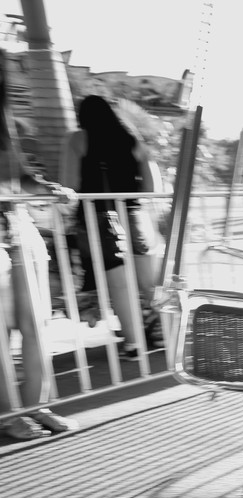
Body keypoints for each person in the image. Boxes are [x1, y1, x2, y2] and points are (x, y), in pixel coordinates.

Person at [0, 52, 79, 440]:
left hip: (14, 231)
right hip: (9, 234)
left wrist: (50, 190)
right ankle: (9, 415)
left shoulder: (5, 122)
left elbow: (16, 177)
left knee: (36, 324)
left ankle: (35, 406)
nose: (17, 75)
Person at [59, 95, 161, 359]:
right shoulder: (132, 141)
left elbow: (68, 182)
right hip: (135, 217)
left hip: (99, 219)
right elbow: (150, 188)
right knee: (149, 285)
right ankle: (164, 332)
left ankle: (134, 344)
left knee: (120, 286)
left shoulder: (77, 140)